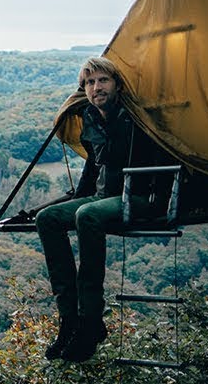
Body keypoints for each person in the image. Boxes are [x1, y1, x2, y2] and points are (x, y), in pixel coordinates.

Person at [34, 56, 168, 362]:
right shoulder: (91, 119)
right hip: (104, 196)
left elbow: (163, 155)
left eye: (103, 80)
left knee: (87, 215)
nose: (97, 88)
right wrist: (72, 199)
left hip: (141, 197)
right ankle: (69, 320)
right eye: (90, 83)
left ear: (117, 85)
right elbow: (93, 168)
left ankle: (91, 321)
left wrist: (159, 198)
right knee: (48, 219)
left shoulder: (135, 118)